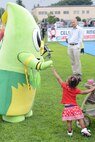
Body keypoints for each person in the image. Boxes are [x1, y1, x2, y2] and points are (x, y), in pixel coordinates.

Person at [51, 66, 95, 137]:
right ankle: (84, 129)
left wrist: (54, 71)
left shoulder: (64, 86)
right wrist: (92, 89)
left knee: (69, 121)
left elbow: (58, 78)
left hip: (67, 108)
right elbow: (84, 92)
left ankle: (70, 132)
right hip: (75, 107)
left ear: (67, 82)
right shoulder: (76, 90)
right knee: (80, 118)